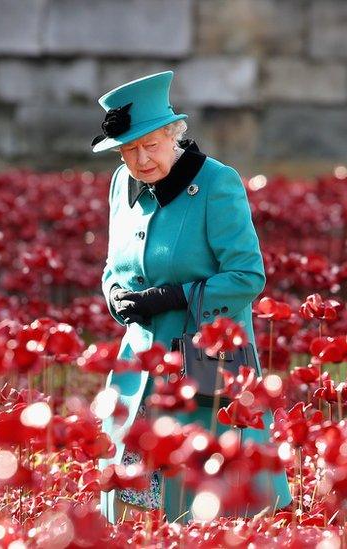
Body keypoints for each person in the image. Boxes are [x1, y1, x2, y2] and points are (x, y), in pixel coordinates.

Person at [92, 71, 291, 523]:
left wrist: (174, 296)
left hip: (204, 366)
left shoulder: (216, 183)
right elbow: (112, 265)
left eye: (150, 146)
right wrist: (115, 295)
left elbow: (247, 276)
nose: (140, 160)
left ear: (173, 136)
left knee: (200, 504)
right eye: (128, 151)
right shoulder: (120, 186)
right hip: (138, 366)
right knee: (125, 502)